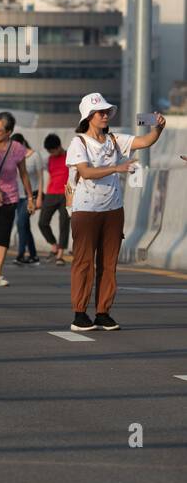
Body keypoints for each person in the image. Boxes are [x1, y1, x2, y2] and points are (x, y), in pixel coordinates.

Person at [66, 93, 164, 331]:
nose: (105, 115)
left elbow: (145, 141)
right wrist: (116, 167)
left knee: (109, 263)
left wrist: (158, 128)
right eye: (100, 112)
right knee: (84, 262)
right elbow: (86, 172)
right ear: (89, 116)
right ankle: (80, 313)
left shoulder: (114, 139)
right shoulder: (78, 143)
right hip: (86, 210)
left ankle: (102, 312)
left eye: (107, 111)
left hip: (113, 210)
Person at [0, 112, 34, 287]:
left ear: (9, 132)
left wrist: (31, 197)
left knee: (2, 236)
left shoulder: (17, 148)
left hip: (10, 198)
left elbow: (24, 174)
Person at [38, 133, 70, 266]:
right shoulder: (49, 159)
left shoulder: (70, 156)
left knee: (64, 224)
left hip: (66, 194)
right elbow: (49, 176)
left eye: (53, 150)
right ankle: (54, 245)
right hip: (51, 193)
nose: (51, 153)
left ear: (59, 146)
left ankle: (60, 255)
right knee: (42, 222)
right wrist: (43, 194)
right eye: (49, 151)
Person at [11, 133, 42, 266]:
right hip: (18, 196)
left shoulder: (34, 156)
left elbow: (41, 178)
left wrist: (39, 197)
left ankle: (21, 254)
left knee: (21, 223)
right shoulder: (14, 157)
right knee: (24, 226)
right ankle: (34, 255)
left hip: (32, 195)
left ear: (23, 143)